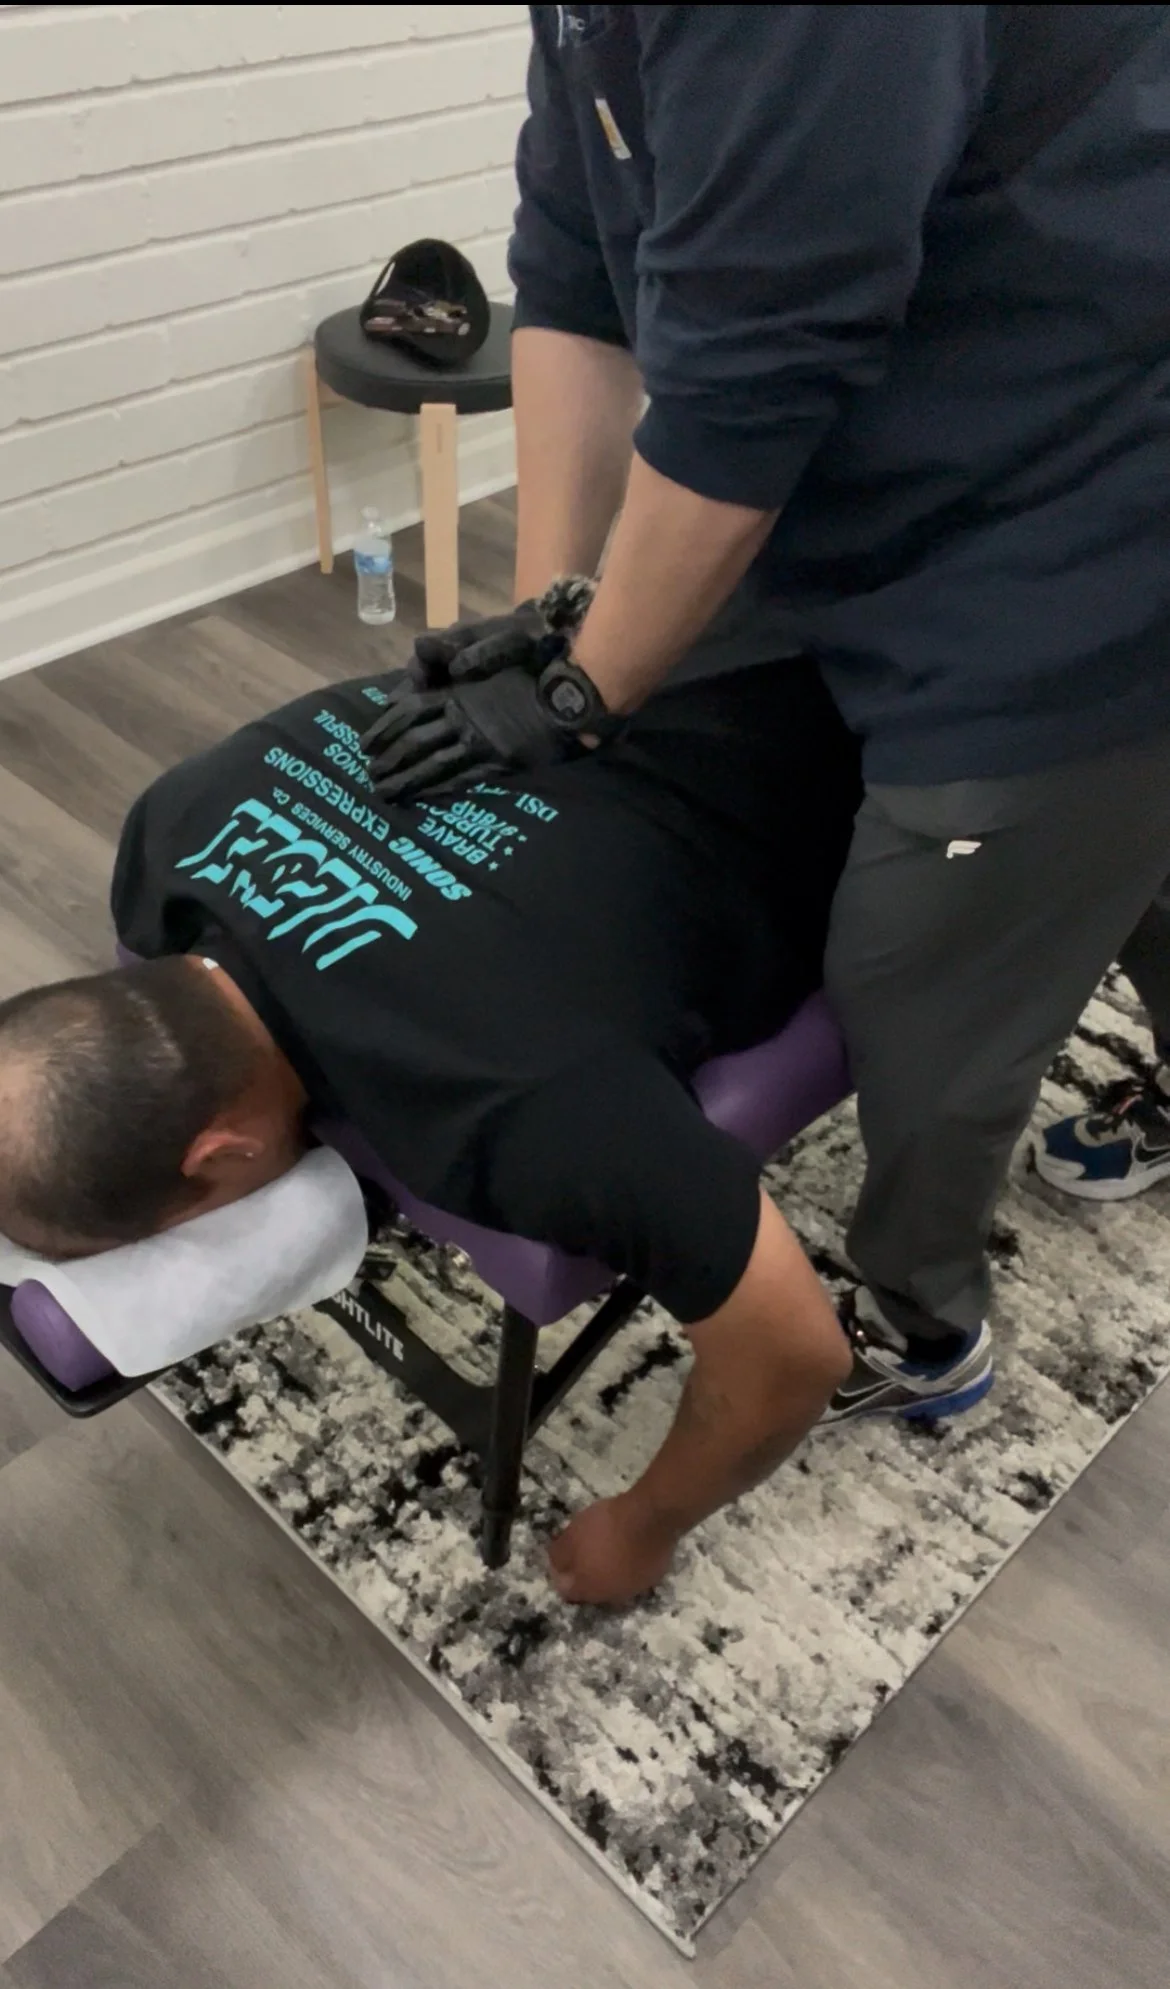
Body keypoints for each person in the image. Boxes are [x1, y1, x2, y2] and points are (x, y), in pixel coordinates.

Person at [361, 5, 1170, 1421]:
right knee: (1092, 859)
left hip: (1093, 512)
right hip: (873, 442)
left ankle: (925, 1321)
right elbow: (571, 266)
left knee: (923, 985)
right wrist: (560, 605)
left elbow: (749, 380)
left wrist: (584, 684)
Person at [0, 645, 862, 1605]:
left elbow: (795, 1353)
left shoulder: (514, 1107)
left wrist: (641, 1524)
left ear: (225, 1151)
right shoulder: (171, 820)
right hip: (656, 635)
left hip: (872, 721)